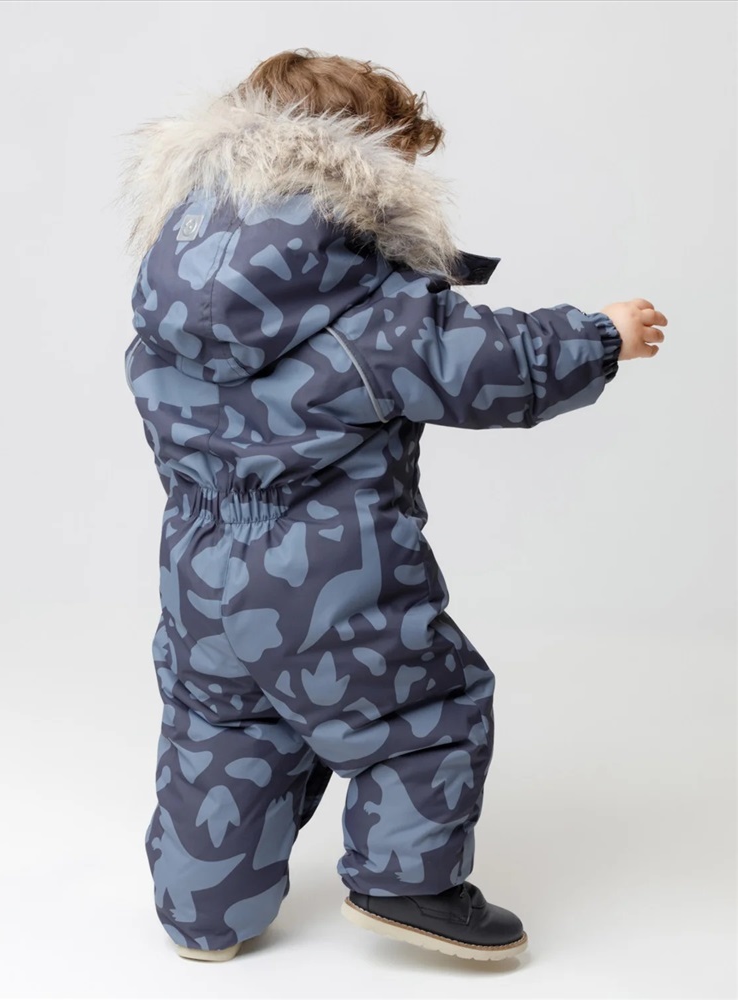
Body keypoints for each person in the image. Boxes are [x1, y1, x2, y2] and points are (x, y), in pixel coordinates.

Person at [117, 48, 667, 964]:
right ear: (361, 166)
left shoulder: (165, 306)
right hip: (328, 573)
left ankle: (202, 912)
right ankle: (407, 884)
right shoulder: (369, 309)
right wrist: (601, 334)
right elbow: (489, 363)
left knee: (221, 729)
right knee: (426, 713)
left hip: (196, 572)